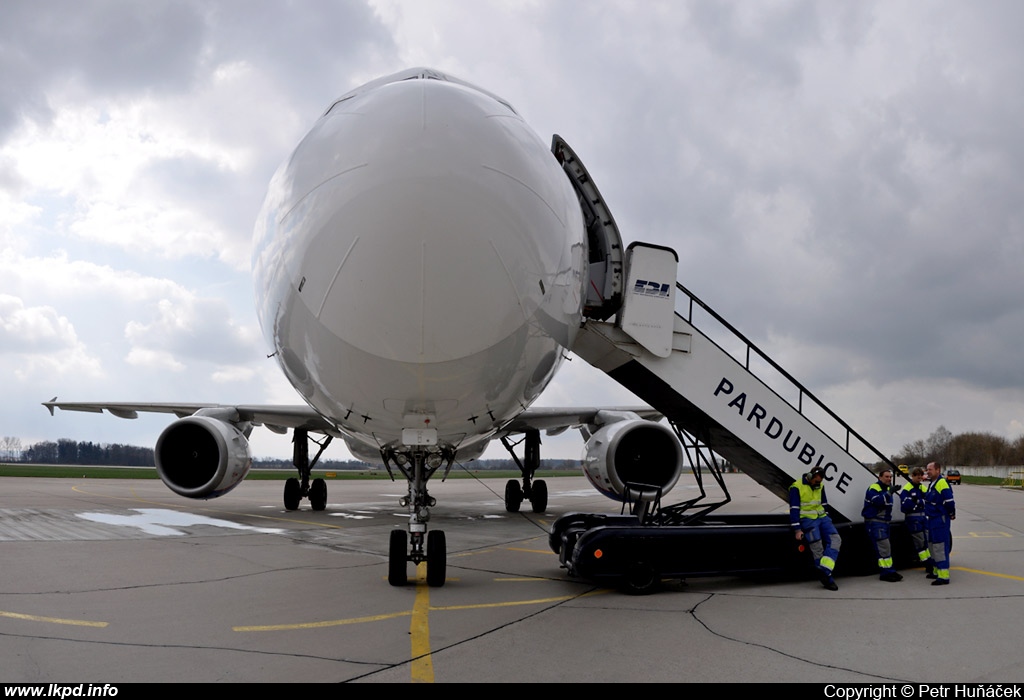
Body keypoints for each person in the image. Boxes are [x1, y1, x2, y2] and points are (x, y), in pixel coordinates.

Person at [790, 465, 842, 590]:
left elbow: (824, 503)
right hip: (808, 520)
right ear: (809, 476)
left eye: (820, 482)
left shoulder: (820, 485)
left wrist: (827, 518)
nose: (818, 484)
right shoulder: (796, 487)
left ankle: (824, 570)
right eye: (816, 481)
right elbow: (794, 509)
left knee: (836, 540)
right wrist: (797, 529)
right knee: (817, 547)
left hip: (822, 517)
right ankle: (827, 580)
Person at [862, 467, 903, 582]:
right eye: (886, 477)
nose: (889, 479)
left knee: (885, 549)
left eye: (890, 477)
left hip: (884, 523)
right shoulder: (874, 488)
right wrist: (889, 492)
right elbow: (878, 501)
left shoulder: (887, 489)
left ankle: (889, 571)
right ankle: (886, 573)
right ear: (880, 477)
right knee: (884, 548)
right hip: (875, 522)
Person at [924, 461, 956, 585]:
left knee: (940, 547)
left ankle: (943, 576)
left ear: (938, 470)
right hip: (932, 519)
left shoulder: (941, 483)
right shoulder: (932, 484)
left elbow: (949, 501)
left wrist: (951, 513)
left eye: (930, 469)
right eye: (927, 469)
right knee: (932, 546)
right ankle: (936, 571)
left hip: (939, 519)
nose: (928, 471)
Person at [899, 466, 933, 574]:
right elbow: (906, 505)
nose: (919, 479)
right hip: (913, 519)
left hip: (923, 517)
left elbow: (928, 500)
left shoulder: (922, 487)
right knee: (920, 542)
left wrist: (917, 502)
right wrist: (919, 502)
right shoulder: (907, 488)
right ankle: (926, 562)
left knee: (927, 540)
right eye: (917, 477)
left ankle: (929, 560)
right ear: (912, 476)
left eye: (920, 477)